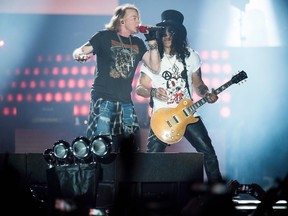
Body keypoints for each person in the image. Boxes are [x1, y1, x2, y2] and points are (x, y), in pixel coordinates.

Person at [136, 9, 222, 183]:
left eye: (172, 31)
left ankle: (218, 194)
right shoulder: (152, 58)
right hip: (163, 116)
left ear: (179, 34)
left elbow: (198, 84)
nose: (167, 35)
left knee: (208, 152)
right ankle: (146, 198)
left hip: (188, 113)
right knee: (153, 158)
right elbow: (140, 88)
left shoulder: (192, 57)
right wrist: (153, 92)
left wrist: (207, 94)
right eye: (164, 31)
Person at [72, 3, 160, 153]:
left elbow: (155, 66)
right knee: (101, 145)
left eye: (139, 18)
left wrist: (152, 42)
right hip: (104, 99)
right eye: (134, 18)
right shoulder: (104, 36)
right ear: (122, 21)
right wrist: (79, 55)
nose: (138, 21)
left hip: (125, 101)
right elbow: (80, 50)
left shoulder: (138, 43)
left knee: (131, 145)